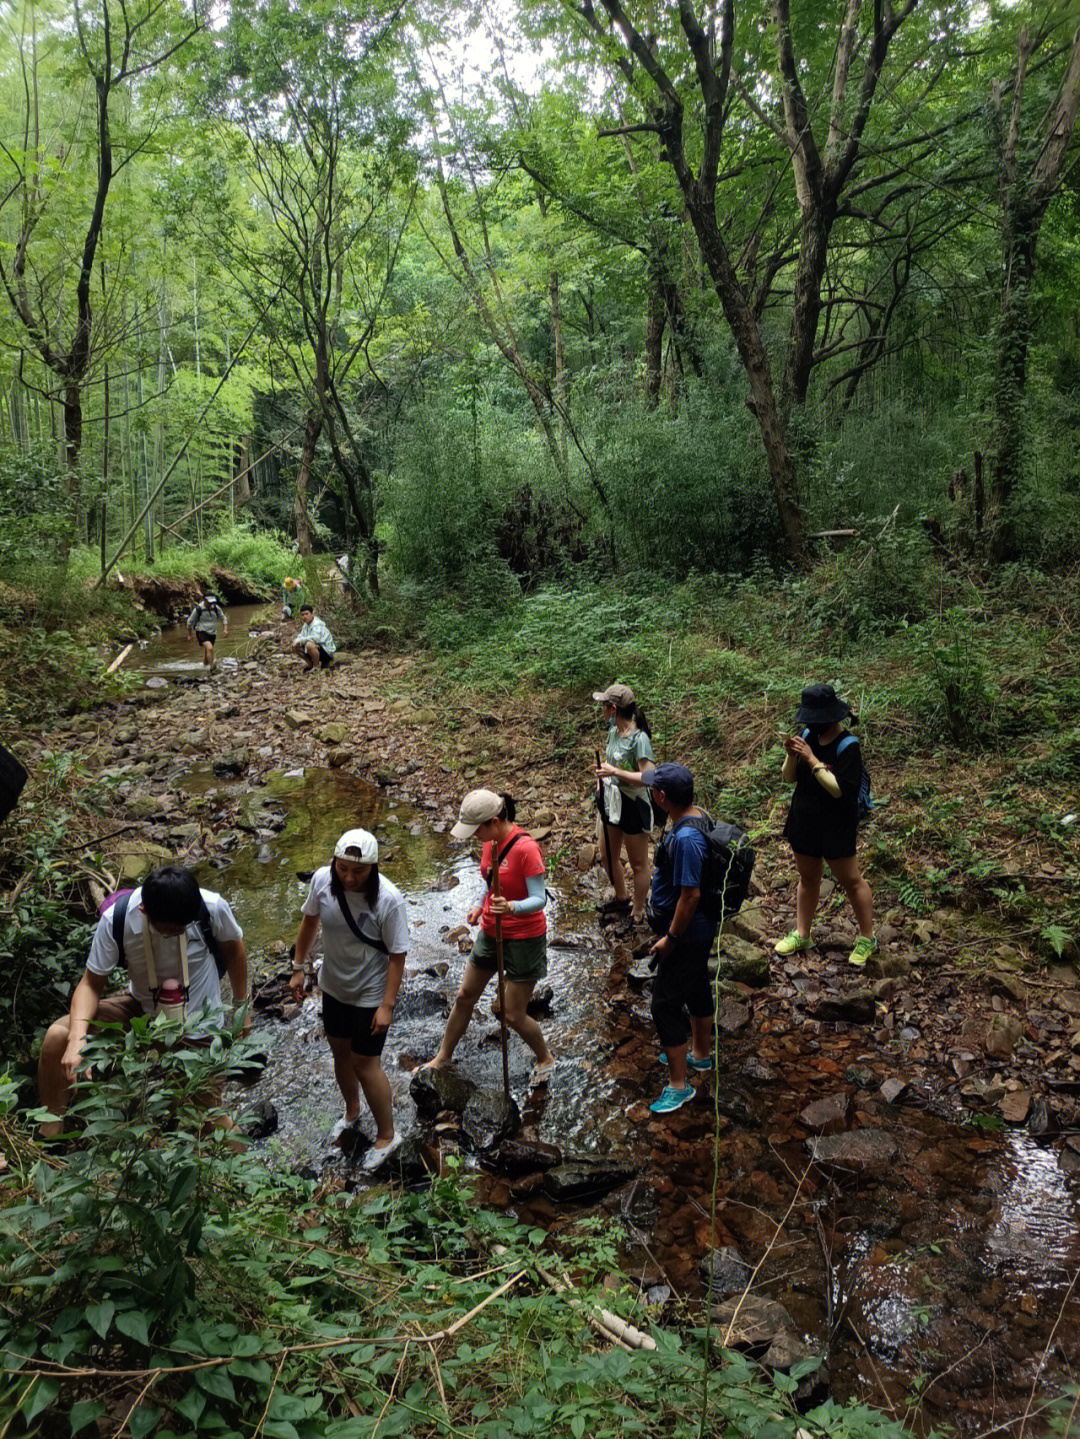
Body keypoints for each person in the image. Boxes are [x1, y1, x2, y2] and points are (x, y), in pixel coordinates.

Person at [38, 865, 249, 1138]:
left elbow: (235, 951)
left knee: (207, 1121)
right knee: (59, 1036)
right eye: (171, 931)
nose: (180, 933)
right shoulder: (118, 919)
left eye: (183, 928)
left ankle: (243, 1169)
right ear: (144, 912)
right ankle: (51, 1133)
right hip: (140, 1012)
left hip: (199, 1026)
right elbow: (90, 984)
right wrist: (77, 1041)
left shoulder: (211, 908)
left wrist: (242, 1009)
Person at [289, 829, 407, 1169]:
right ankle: (352, 1111)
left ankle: (387, 1135)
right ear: (334, 862)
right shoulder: (322, 882)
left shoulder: (389, 899)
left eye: (358, 871)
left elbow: (397, 954)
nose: (349, 878)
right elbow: (309, 921)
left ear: (373, 868)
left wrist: (387, 1005)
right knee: (340, 1052)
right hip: (334, 986)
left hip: (371, 992)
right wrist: (299, 967)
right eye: (343, 869)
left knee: (365, 1064)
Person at [421, 790, 555, 1086]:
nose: (474, 837)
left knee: (513, 1015)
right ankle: (443, 1056)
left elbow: (539, 898)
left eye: (477, 830)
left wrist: (512, 907)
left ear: (494, 821)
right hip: (490, 931)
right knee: (464, 995)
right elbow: (488, 880)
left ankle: (545, 1057)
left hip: (524, 937)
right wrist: (477, 905)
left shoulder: (526, 849)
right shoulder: (488, 842)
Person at [775, 684, 876, 968]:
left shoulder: (848, 746)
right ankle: (803, 933)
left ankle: (867, 938)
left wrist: (810, 758)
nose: (809, 724)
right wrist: (791, 755)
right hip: (804, 819)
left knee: (851, 881)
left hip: (836, 824)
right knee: (808, 878)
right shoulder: (808, 736)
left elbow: (838, 790)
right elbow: (789, 778)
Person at [641, 764, 717, 1115]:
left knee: (664, 1005)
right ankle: (700, 1055)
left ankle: (678, 1085)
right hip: (698, 932)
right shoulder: (695, 814)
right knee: (698, 985)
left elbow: (691, 896)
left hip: (686, 933)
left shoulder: (686, 838)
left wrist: (670, 938)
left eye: (654, 791)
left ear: (661, 797)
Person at [593, 682, 656, 924]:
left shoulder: (639, 739)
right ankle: (621, 897)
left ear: (613, 708)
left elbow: (649, 778)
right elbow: (607, 767)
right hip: (611, 801)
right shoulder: (612, 732)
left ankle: (637, 911)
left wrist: (615, 772)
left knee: (638, 863)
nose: (602, 711)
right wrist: (601, 781)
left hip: (633, 805)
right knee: (607, 854)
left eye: (604, 707)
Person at [187, 590, 228, 668]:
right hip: (201, 632)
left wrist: (225, 629)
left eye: (212, 602)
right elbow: (190, 622)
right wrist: (189, 635)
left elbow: (223, 617)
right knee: (210, 648)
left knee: (207, 652)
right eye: (209, 602)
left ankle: (204, 667)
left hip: (212, 632)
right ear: (204, 600)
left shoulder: (215, 607)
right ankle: (212, 668)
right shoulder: (198, 609)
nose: (211, 604)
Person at [292, 604, 336, 672]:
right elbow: (301, 636)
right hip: (318, 649)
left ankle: (316, 667)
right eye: (302, 615)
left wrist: (300, 641)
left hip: (326, 651)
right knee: (295, 646)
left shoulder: (317, 624)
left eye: (306, 614)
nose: (304, 616)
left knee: (309, 644)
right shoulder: (306, 625)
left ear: (312, 614)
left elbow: (315, 638)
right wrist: (297, 641)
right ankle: (310, 665)